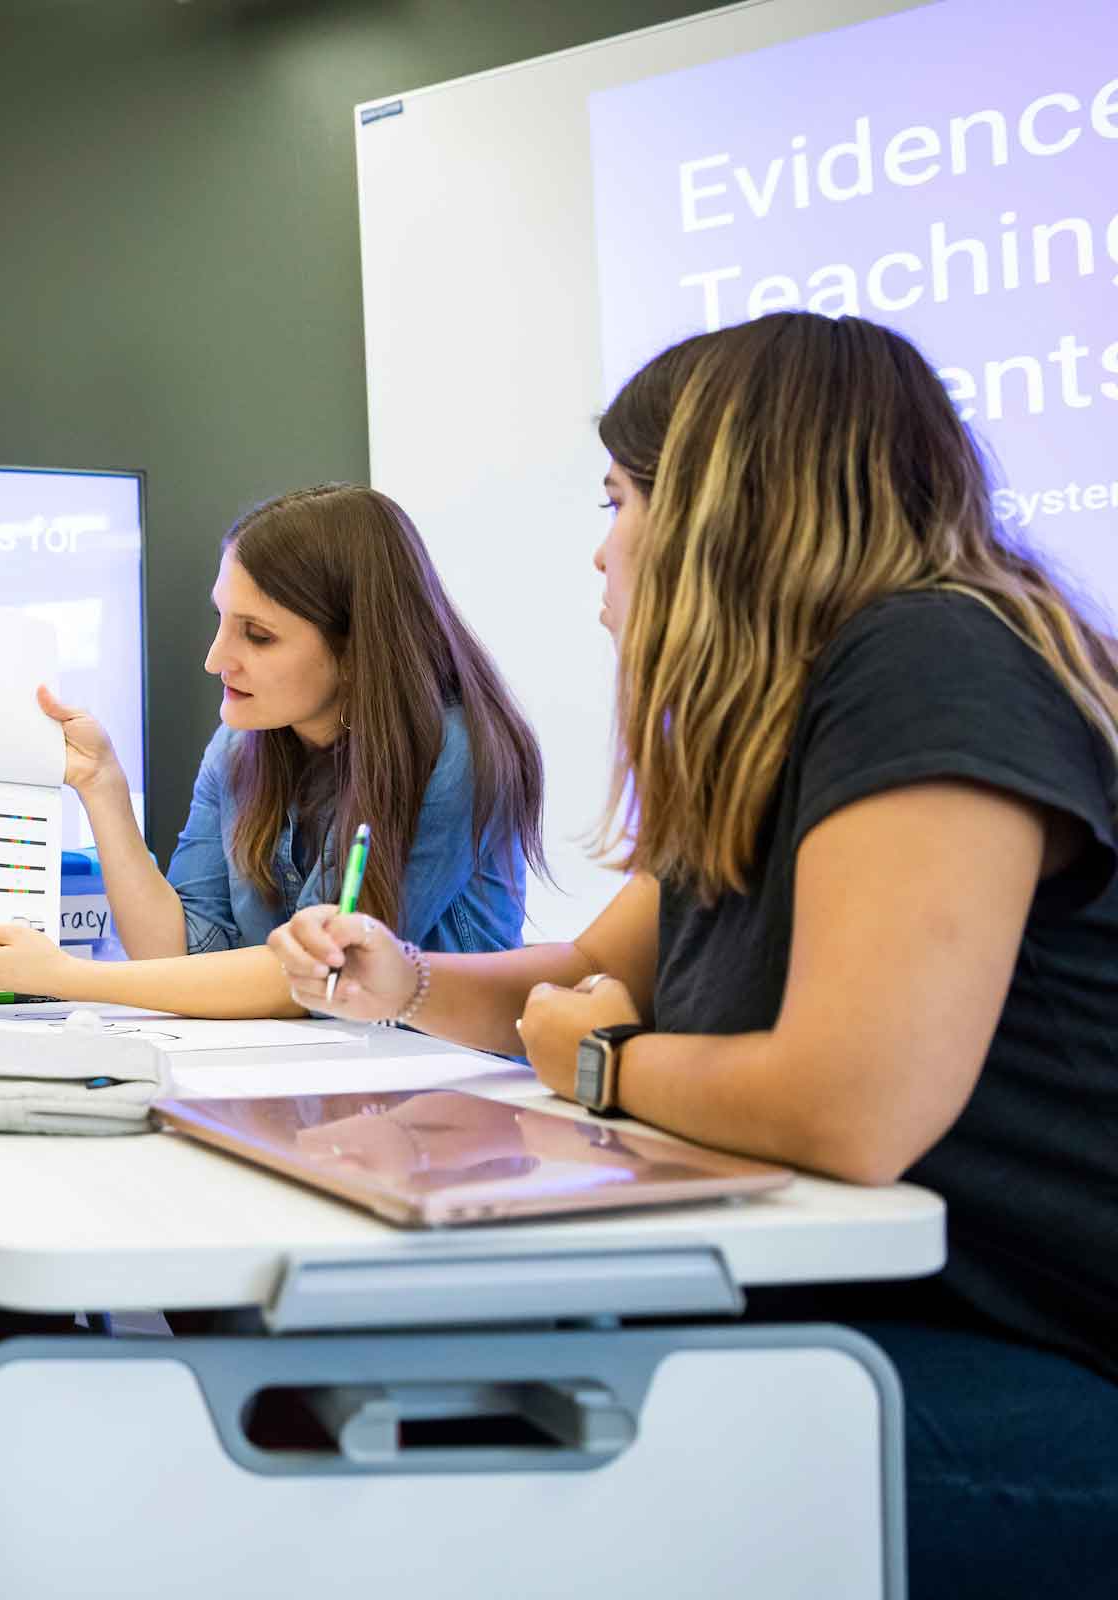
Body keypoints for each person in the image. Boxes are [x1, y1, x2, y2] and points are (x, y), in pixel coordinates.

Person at [270, 313, 1118, 1595]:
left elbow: (851, 1109)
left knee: (415, 1482)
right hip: (897, 1314)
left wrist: (606, 1065)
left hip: (1056, 1365)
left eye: (619, 498)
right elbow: (570, 986)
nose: (601, 546)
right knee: (351, 1390)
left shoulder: (933, 660)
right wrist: (410, 982)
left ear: (725, 505)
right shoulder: (786, 719)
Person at [0, 483, 547, 1017]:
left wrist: (64, 978)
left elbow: (312, 980)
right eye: (222, 620)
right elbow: (171, 954)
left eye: (259, 636)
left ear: (358, 651)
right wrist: (101, 784)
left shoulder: (454, 755)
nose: (216, 659)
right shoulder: (241, 745)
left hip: (449, 1088)